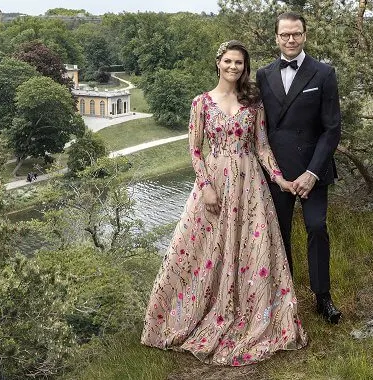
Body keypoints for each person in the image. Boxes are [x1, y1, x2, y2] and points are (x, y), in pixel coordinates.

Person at [141, 40, 308, 366]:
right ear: (218, 63)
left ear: (245, 68)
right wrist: (205, 186)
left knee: (251, 248)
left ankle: (253, 313)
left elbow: (261, 147)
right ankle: (187, 314)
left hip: (250, 185)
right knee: (204, 252)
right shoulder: (201, 103)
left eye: (239, 64)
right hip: (214, 183)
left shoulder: (253, 103)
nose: (234, 68)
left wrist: (280, 179)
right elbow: (195, 149)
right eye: (229, 62)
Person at [256, 12, 342, 324]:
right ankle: (284, 298)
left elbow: (332, 129)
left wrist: (312, 172)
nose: (291, 40)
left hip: (313, 171)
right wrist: (275, 174)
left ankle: (323, 298)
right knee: (279, 235)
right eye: (285, 35)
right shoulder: (264, 75)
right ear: (276, 37)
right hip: (277, 173)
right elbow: (260, 126)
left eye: (296, 34)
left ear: (304, 35)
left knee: (317, 228)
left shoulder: (323, 73)